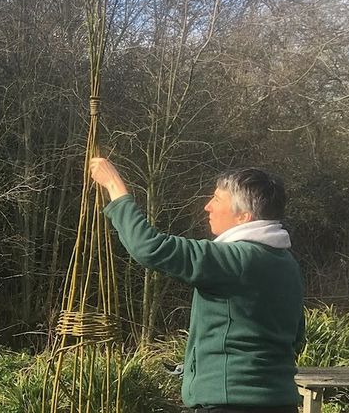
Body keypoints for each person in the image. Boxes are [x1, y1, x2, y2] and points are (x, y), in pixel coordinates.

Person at [88, 157, 305, 413]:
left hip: (230, 404)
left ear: (243, 217)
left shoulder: (233, 259)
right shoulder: (286, 263)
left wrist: (114, 186)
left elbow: (149, 248)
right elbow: (297, 337)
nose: (207, 207)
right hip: (280, 403)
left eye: (217, 199)